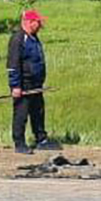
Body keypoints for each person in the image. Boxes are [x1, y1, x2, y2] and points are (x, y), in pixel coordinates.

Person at [7, 8, 60, 154]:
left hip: (36, 84)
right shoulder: (18, 39)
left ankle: (41, 139)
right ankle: (19, 143)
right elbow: (13, 65)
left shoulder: (34, 37)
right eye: (38, 23)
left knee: (38, 112)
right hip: (23, 84)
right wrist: (15, 86)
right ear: (29, 22)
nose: (40, 26)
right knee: (21, 114)